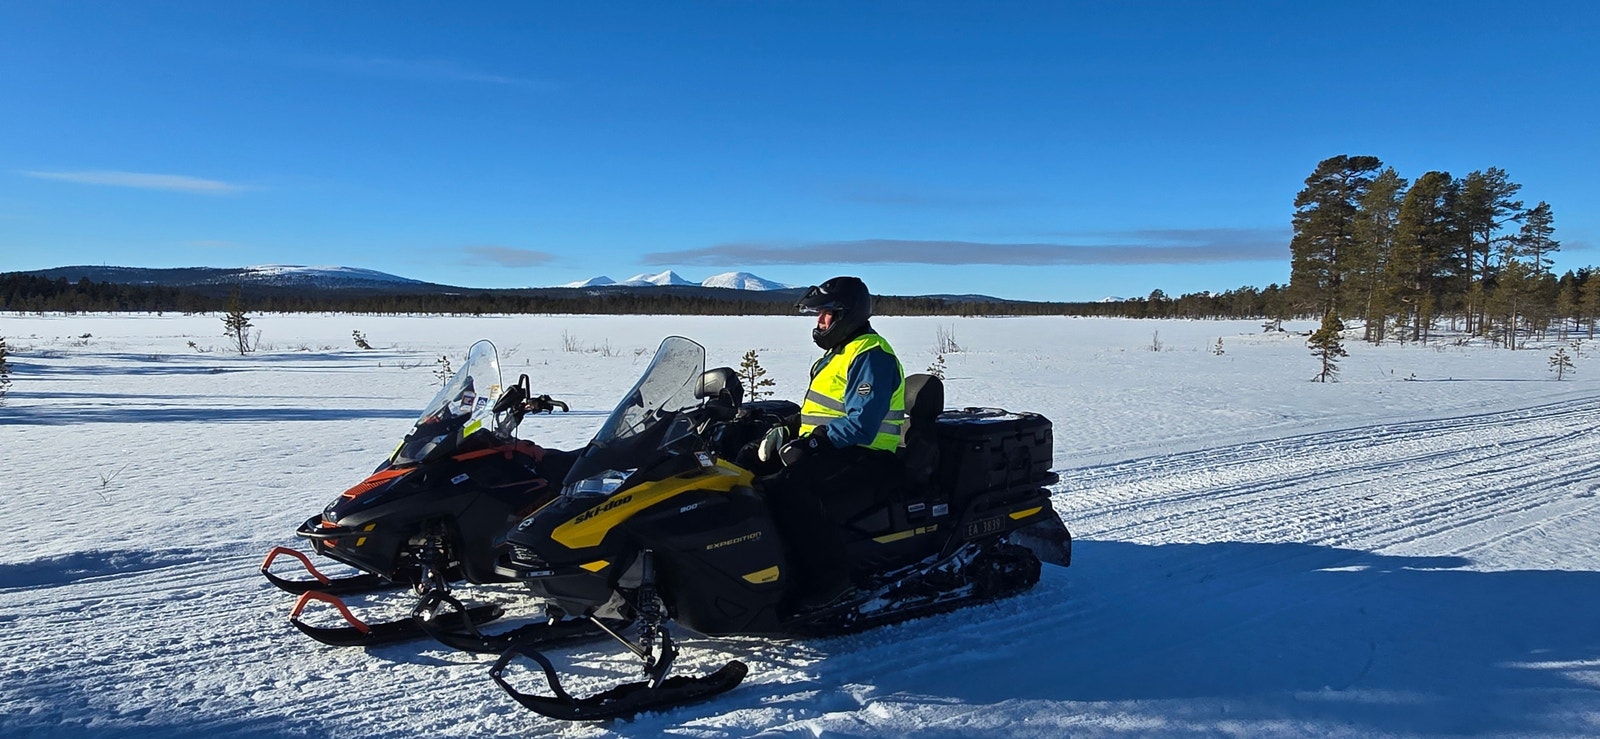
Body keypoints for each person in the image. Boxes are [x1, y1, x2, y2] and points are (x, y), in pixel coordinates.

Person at [757, 275, 907, 610]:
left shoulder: (872, 355)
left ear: (846, 315)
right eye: (818, 314)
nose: (820, 321)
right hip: (839, 450)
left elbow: (862, 424)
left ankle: (829, 583)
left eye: (826, 314)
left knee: (790, 491)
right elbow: (822, 410)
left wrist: (810, 446)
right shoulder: (840, 352)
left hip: (871, 457)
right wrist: (787, 427)